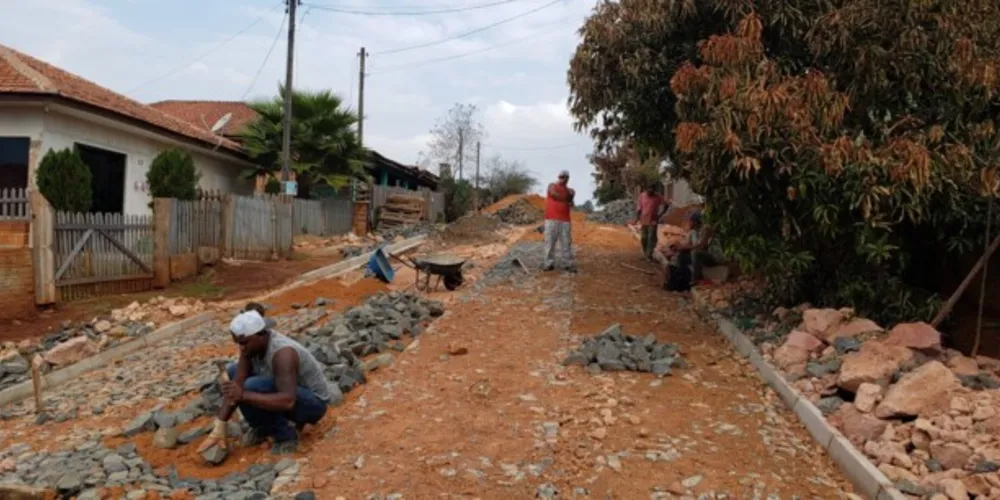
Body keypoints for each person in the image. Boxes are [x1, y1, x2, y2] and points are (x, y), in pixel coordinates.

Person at [198, 307, 332, 456]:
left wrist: (243, 395)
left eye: (244, 343)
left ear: (261, 335)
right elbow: (236, 384)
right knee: (233, 372)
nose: (241, 348)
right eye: (239, 343)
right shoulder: (249, 347)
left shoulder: (283, 353)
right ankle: (263, 428)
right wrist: (220, 426)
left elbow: (288, 401)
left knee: (251, 386)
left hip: (312, 405)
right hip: (287, 397)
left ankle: (285, 436)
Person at [663, 210, 717, 290]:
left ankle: (695, 279)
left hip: (711, 256)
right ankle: (681, 279)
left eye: (690, 221)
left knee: (695, 253)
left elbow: (702, 246)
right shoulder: (693, 232)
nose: (689, 223)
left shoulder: (706, 229)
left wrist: (685, 247)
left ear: (695, 222)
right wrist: (678, 247)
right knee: (682, 254)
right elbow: (688, 244)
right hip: (700, 255)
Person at [543, 170, 576, 272]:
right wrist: (567, 198)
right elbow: (554, 194)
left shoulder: (570, 191)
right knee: (550, 242)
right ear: (558, 177)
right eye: (561, 177)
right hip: (551, 219)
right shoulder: (552, 186)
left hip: (565, 220)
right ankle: (548, 264)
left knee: (566, 243)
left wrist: (570, 197)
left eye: (565, 177)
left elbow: (571, 202)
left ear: (568, 179)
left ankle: (568, 264)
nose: (563, 179)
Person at [635, 184, 669, 260]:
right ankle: (645, 253)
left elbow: (666, 205)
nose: (650, 191)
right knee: (644, 237)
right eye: (649, 189)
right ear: (646, 189)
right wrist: (637, 219)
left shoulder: (658, 196)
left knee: (651, 237)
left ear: (654, 190)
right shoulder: (642, 196)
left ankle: (649, 254)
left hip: (653, 220)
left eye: (652, 189)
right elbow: (639, 208)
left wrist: (660, 215)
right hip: (644, 220)